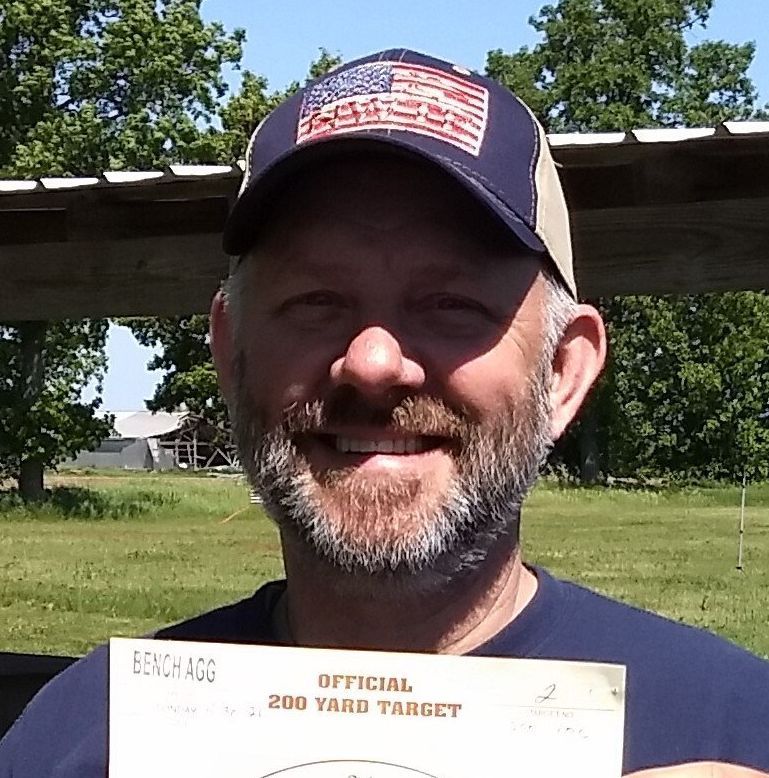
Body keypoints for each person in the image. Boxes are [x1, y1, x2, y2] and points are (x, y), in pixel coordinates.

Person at [1, 49, 768, 778]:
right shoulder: (81, 737)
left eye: (449, 303)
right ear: (230, 355)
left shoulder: (735, 727)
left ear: (563, 373)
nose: (371, 363)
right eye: (315, 301)